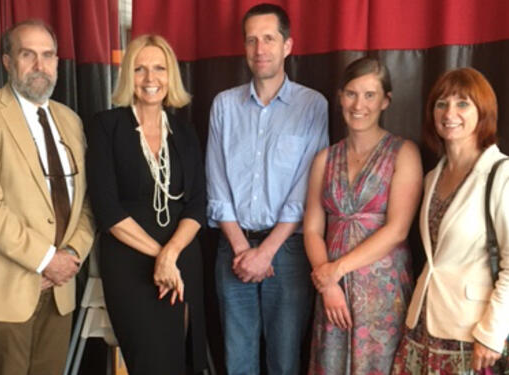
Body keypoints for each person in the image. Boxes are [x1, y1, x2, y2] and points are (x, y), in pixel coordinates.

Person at [205, 3, 329, 374]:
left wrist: (267, 252)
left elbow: (308, 187)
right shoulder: (224, 105)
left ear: (287, 45)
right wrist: (243, 249)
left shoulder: (312, 105)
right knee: (237, 358)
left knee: (285, 359)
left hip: (288, 250)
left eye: (269, 39)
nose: (261, 49)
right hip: (233, 247)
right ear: (244, 47)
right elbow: (216, 181)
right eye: (252, 40)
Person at [0, 19, 95, 375]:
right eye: (28, 54)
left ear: (58, 62)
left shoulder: (70, 121)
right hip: (6, 291)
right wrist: (46, 259)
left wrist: (71, 255)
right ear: (7, 61)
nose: (39, 66)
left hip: (59, 291)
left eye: (47, 55)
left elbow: (87, 203)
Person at [85, 34, 207, 375]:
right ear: (128, 75)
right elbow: (108, 210)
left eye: (159, 68)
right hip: (130, 266)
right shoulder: (105, 127)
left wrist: (170, 255)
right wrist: (159, 256)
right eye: (139, 69)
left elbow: (197, 204)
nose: (150, 79)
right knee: (151, 363)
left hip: (182, 261)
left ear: (171, 75)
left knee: (185, 359)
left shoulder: (184, 132)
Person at [304, 56, 423, 374]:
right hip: (332, 293)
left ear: (386, 100)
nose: (359, 104)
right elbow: (313, 229)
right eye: (352, 93)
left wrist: (336, 270)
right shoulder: (324, 158)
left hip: (381, 295)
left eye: (370, 95)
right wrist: (328, 285)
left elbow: (397, 230)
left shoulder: (403, 152)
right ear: (340, 97)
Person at [392, 68, 509, 374]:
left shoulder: (501, 175)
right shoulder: (432, 177)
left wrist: (492, 334)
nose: (449, 113)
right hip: (422, 327)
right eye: (441, 103)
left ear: (483, 112)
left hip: (472, 334)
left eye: (463, 103)